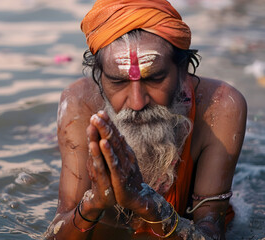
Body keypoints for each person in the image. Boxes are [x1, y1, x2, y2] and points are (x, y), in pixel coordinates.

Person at [44, 0, 247, 239]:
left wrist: (148, 204)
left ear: (183, 72)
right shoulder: (79, 103)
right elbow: (57, 231)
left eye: (155, 78)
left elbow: (211, 234)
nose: (137, 103)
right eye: (118, 82)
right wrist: (93, 203)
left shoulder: (220, 106)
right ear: (99, 78)